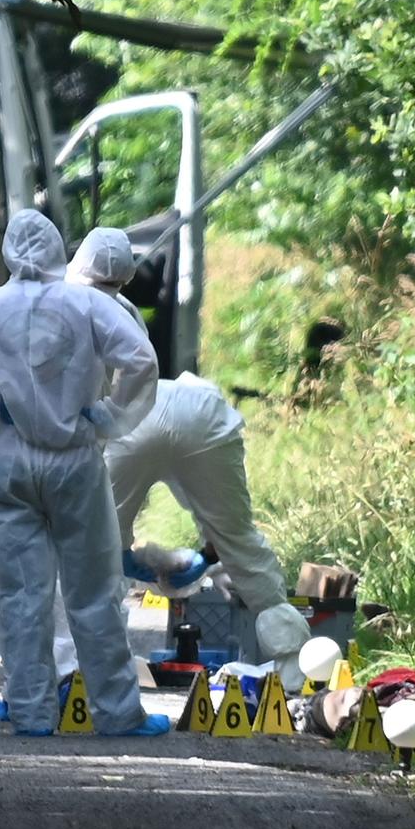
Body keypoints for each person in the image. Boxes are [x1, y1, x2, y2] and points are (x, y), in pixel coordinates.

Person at [0, 211, 170, 737]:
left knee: (20, 596)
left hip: (8, 455)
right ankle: (119, 714)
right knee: (93, 592)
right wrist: (111, 416)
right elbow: (141, 361)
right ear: (60, 250)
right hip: (74, 456)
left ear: (8, 251)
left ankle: (32, 712)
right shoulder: (87, 304)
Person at [64, 227, 314, 688]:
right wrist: (205, 555)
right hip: (202, 413)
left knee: (98, 550)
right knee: (240, 539)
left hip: (128, 425)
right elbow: (222, 532)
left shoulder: (63, 303)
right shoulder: (126, 309)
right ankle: (295, 665)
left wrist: (133, 559)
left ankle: (96, 671)